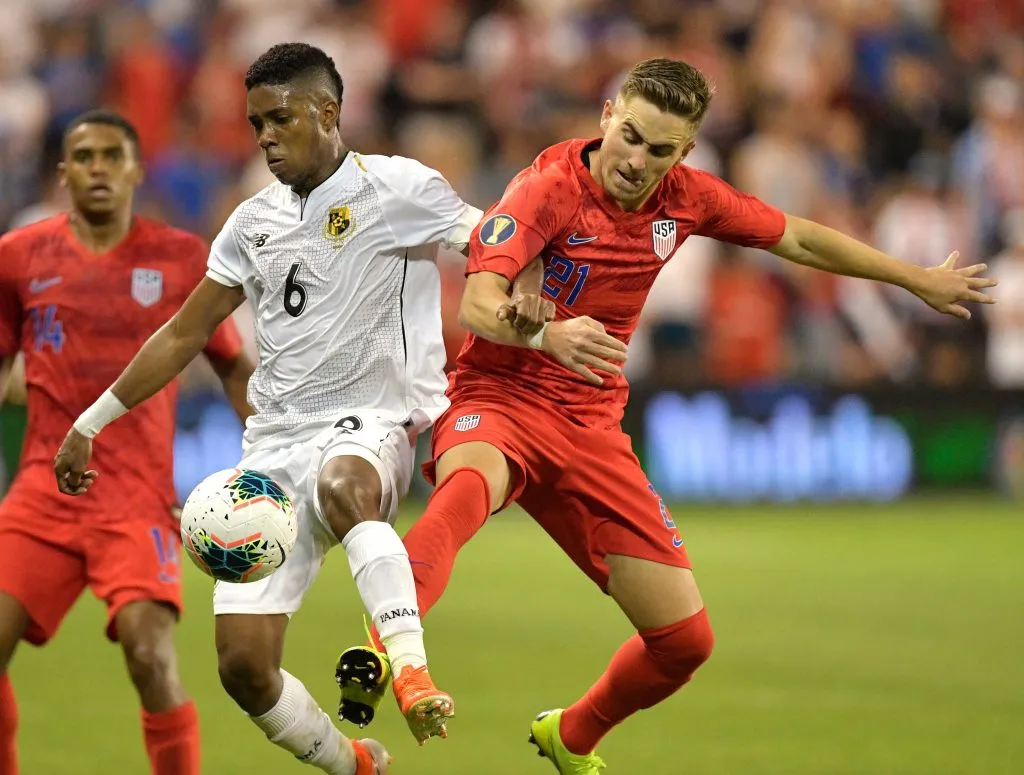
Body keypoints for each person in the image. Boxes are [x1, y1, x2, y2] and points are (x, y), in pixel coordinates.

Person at [343, 58, 997, 773]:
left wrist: (916, 278)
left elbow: (800, 238)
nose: (637, 160)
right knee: (464, 494)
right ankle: (390, 657)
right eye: (631, 136)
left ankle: (572, 735)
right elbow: (477, 303)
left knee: (684, 641)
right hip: (500, 398)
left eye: (660, 149)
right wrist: (543, 331)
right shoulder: (542, 189)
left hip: (591, 423)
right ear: (606, 116)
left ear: (684, 152)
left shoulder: (688, 198)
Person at [52, 43, 546, 775]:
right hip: (273, 448)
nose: (265, 137)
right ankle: (355, 763)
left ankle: (408, 669)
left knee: (345, 485)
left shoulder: (397, 187)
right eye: (256, 124)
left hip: (374, 424)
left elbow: (498, 238)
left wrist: (525, 292)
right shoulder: (251, 222)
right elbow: (185, 332)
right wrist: (90, 422)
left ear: (328, 111)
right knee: (243, 668)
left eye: (280, 118)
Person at [0, 109, 253, 775]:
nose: (99, 169)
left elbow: (231, 362)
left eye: (114, 156)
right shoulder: (18, 257)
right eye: (84, 157)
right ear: (63, 172)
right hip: (39, 494)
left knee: (150, 654)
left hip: (136, 498)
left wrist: (263, 455)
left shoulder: (179, 258)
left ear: (138, 169)